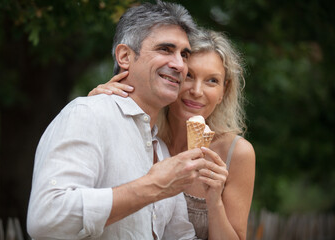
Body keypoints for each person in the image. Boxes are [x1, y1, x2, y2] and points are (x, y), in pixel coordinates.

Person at [27, 2, 219, 239]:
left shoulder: (160, 146)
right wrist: (153, 187)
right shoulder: (87, 114)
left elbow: (180, 236)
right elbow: (46, 219)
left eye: (184, 54)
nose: (180, 65)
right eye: (165, 49)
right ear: (125, 56)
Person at [89, 28, 256, 240]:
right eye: (189, 76)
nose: (197, 90)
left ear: (224, 91)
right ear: (172, 77)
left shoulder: (236, 153)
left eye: (212, 81)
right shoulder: (143, 134)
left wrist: (214, 201)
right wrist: (98, 104)